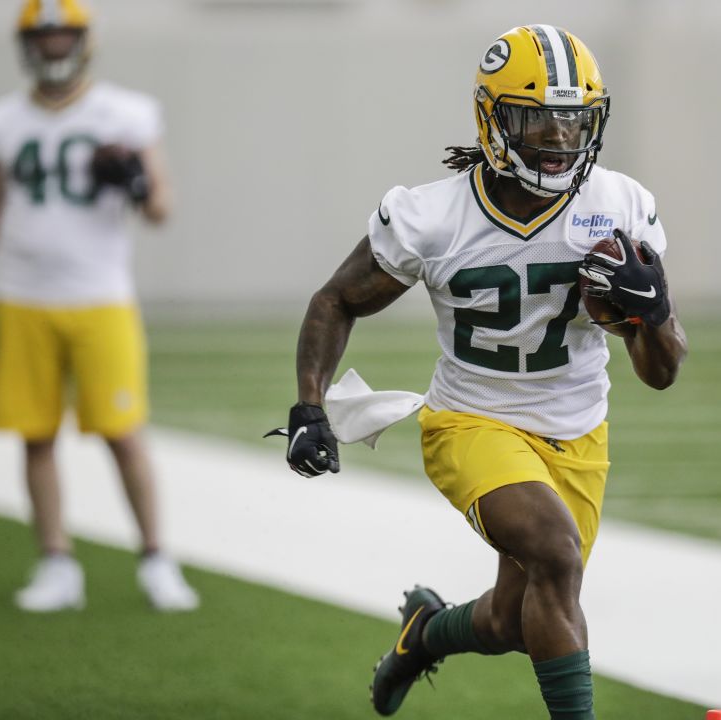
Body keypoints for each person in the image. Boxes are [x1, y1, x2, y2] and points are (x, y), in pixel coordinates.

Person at [276, 25, 687, 719]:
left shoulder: (617, 205)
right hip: (472, 420)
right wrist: (309, 405)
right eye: (539, 120)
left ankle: (424, 635)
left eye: (573, 121)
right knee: (556, 557)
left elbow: (662, 372)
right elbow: (337, 299)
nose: (559, 139)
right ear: (493, 119)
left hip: (578, 432)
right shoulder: (434, 216)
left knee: (513, 620)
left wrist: (652, 313)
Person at [0, 0, 198, 613]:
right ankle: (56, 561)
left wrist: (136, 182)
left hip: (100, 298)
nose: (53, 47)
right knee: (35, 436)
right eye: (44, 37)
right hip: (23, 298)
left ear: (84, 40)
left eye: (62, 36)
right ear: (28, 44)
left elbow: (162, 207)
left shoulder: (126, 114)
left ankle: (157, 555)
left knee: (123, 433)